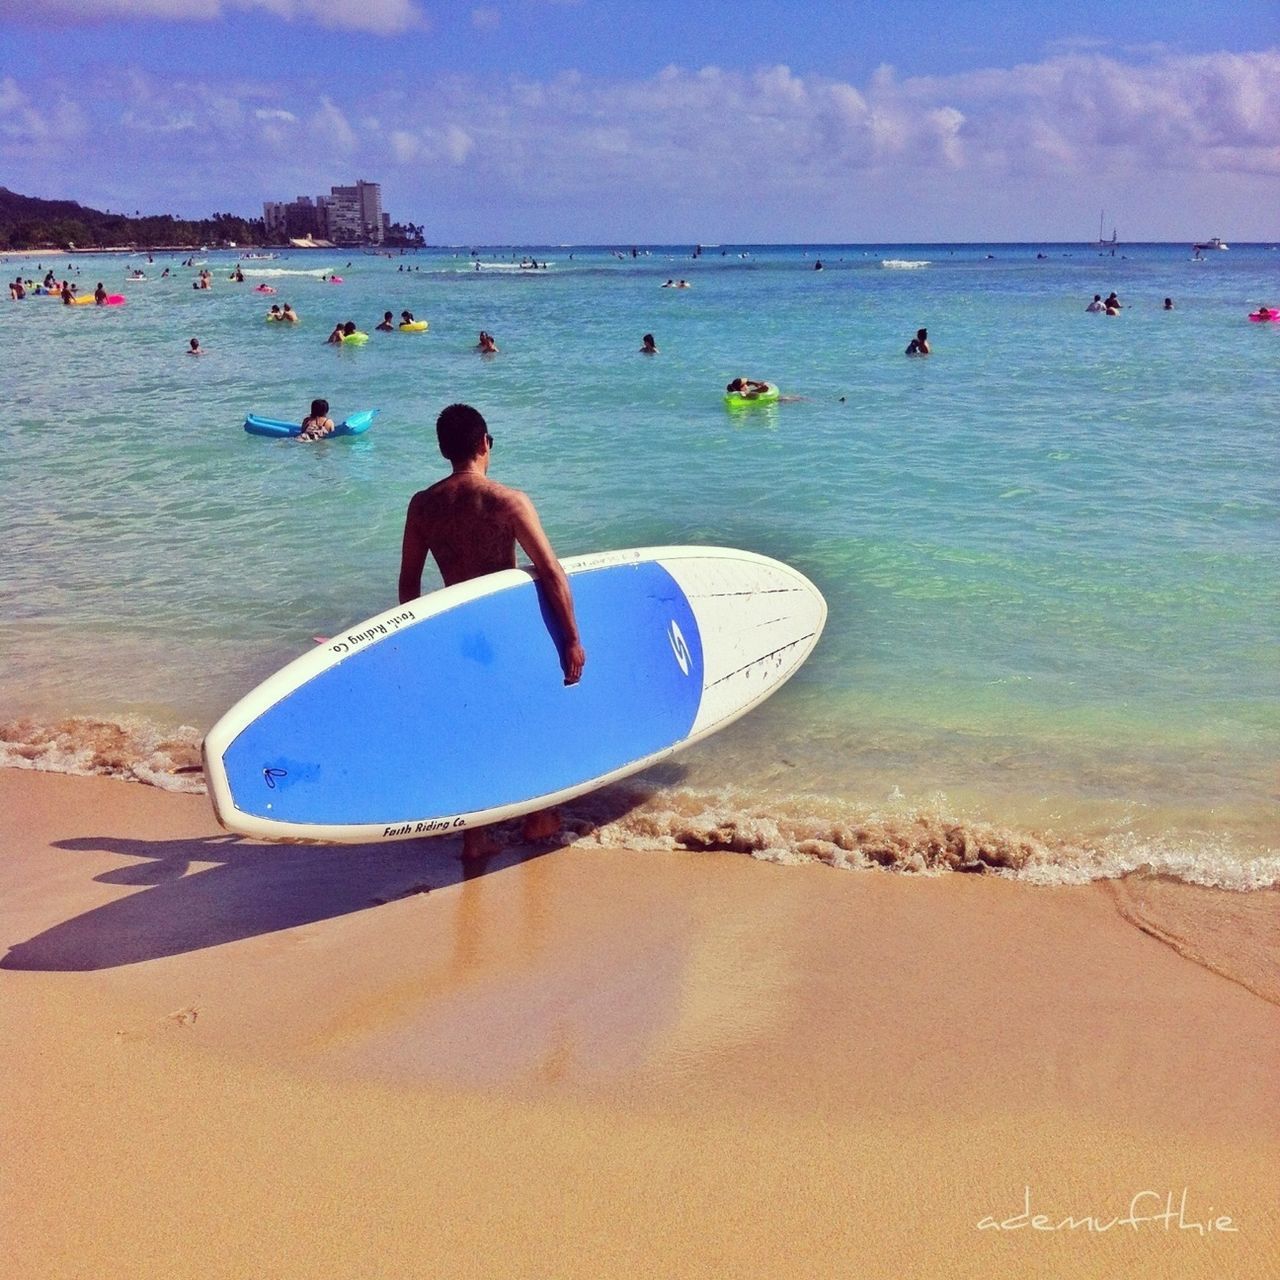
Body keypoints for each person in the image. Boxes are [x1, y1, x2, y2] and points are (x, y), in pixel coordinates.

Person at [398, 403, 585, 858]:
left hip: (458, 632)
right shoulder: (508, 501)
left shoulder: (423, 505)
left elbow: (408, 584)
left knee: (470, 727)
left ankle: (475, 837)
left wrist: (421, 642)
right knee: (527, 721)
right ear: (485, 444)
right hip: (503, 629)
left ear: (444, 450)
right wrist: (572, 639)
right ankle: (538, 820)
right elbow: (551, 572)